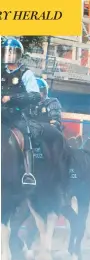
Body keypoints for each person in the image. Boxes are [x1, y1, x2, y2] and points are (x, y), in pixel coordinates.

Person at [1, 38, 41, 186]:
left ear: (19, 54)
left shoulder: (26, 73)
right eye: (6, 52)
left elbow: (35, 95)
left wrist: (11, 98)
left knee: (26, 133)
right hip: (1, 113)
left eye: (12, 52)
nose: (9, 56)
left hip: (17, 114)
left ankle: (28, 173)